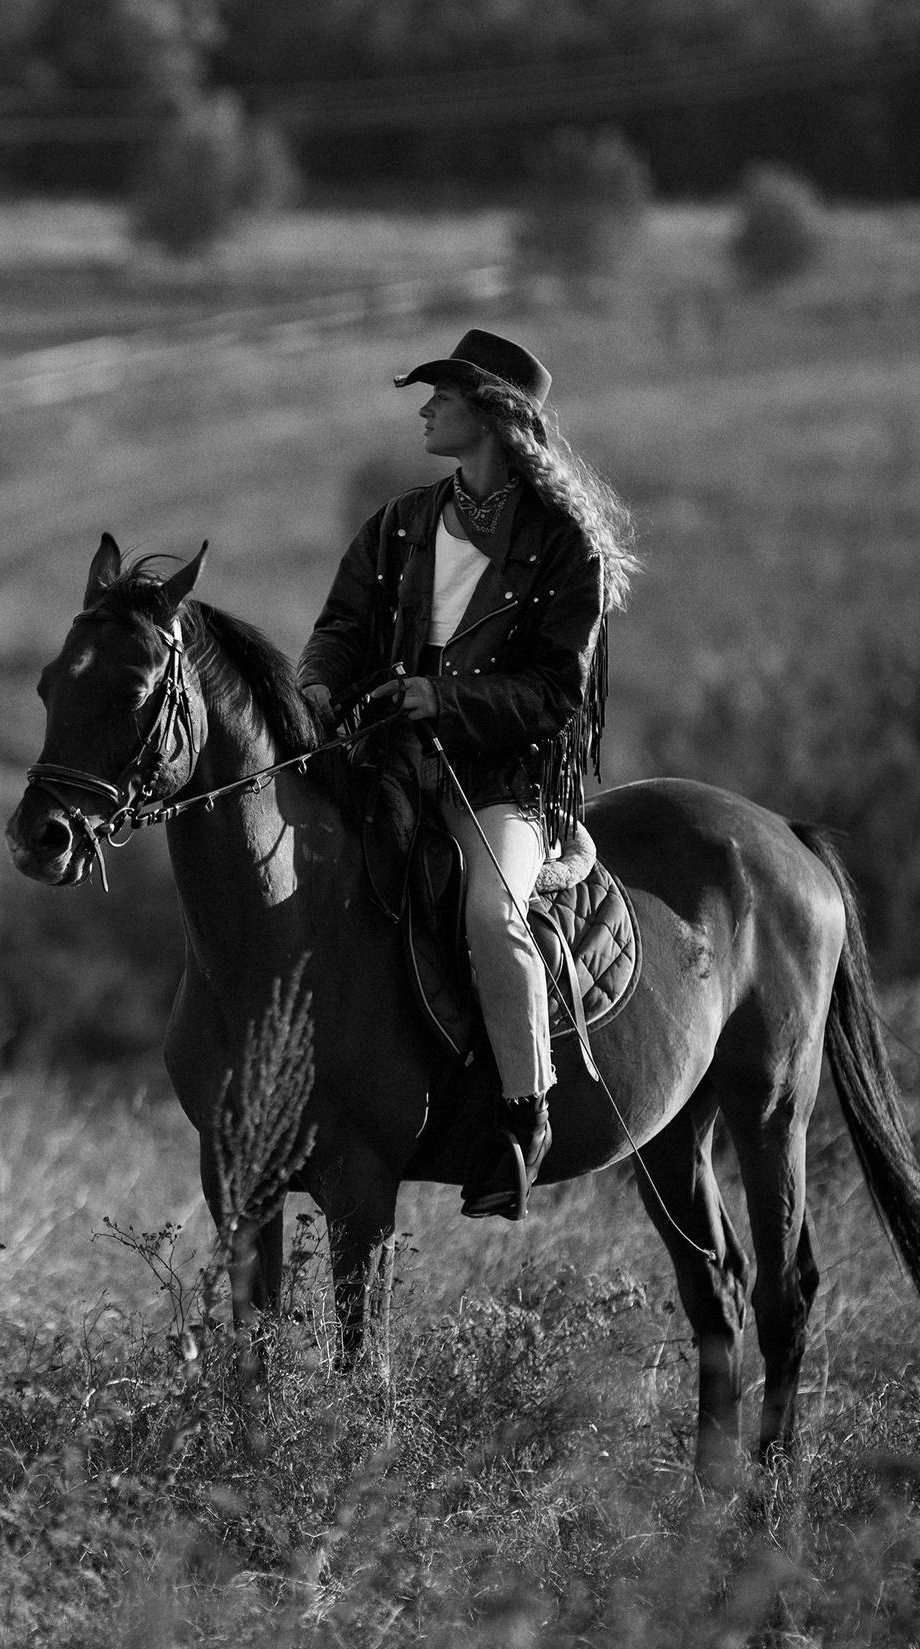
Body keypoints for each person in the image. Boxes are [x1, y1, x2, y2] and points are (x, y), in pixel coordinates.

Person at [299, 329, 640, 1221]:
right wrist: (317, 685)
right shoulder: (402, 522)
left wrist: (440, 701)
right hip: (387, 760)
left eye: (440, 398)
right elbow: (341, 626)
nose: (424, 408)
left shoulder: (569, 548)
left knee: (492, 915)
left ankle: (522, 1119)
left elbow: (556, 697)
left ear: (489, 417)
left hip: (505, 786)